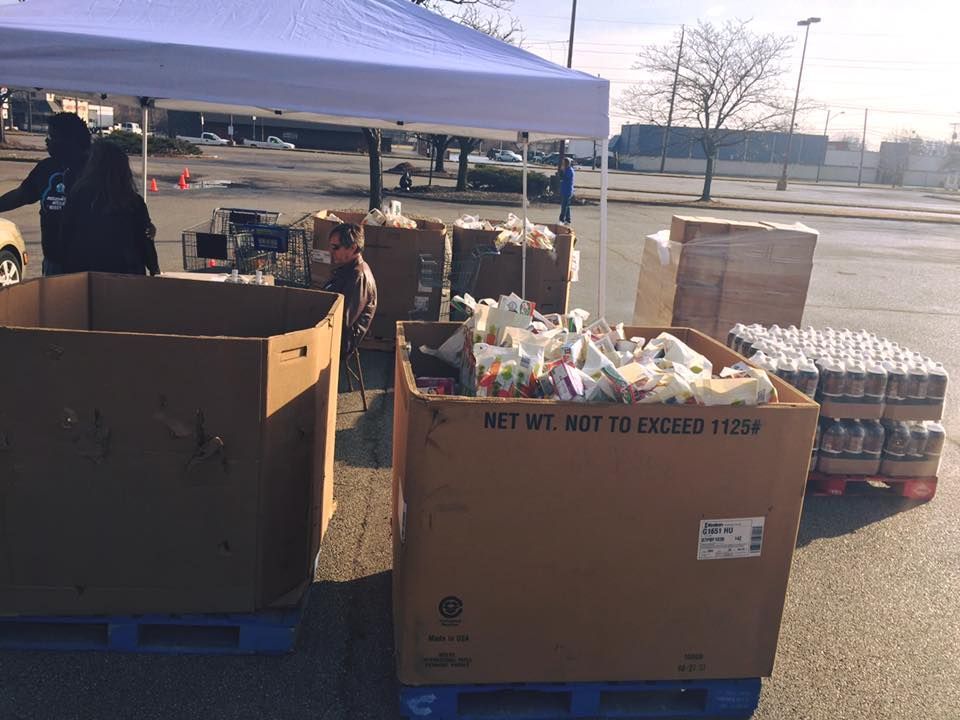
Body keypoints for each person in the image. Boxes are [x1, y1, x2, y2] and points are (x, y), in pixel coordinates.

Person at [0, 112, 91, 275]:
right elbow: (21, 195)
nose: (47, 141)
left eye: (53, 136)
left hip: (89, 262)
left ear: (70, 140)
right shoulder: (45, 168)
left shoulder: (95, 168)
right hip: (54, 261)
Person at [59, 141, 160, 276]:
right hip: (127, 273)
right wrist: (155, 270)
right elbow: (145, 242)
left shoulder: (79, 196)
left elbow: (65, 236)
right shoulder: (133, 202)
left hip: (86, 273)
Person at [322, 223, 377, 355]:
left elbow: (343, 320)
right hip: (333, 332)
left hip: (340, 341)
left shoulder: (358, 276)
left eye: (335, 247)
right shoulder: (349, 269)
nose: (331, 251)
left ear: (353, 248)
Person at [559, 157, 575, 225]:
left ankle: (561, 220)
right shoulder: (567, 169)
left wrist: (562, 171)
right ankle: (568, 220)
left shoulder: (569, 170)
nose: (563, 164)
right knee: (567, 206)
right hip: (565, 190)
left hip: (567, 191)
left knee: (564, 206)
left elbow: (564, 177)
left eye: (564, 163)